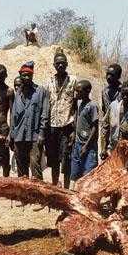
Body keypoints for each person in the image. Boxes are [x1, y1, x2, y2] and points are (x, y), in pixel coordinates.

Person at [9, 61, 49, 179]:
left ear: (32, 75)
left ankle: (38, 196)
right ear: (20, 75)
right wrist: (12, 135)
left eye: (29, 75)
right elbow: (13, 117)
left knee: (35, 166)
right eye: (24, 75)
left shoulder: (41, 92)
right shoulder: (17, 94)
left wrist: (42, 133)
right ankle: (24, 196)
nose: (26, 77)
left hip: (34, 136)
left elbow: (44, 114)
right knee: (21, 170)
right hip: (19, 136)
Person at [45, 49, 77, 188]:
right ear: (53, 65)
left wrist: (74, 129)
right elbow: (46, 105)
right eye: (57, 63)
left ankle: (66, 189)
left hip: (67, 125)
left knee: (67, 158)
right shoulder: (49, 82)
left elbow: (76, 105)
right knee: (54, 160)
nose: (60, 66)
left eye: (63, 63)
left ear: (67, 64)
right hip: (52, 126)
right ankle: (54, 187)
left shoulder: (73, 81)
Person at [102, 81, 128, 175]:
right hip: (112, 150)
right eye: (123, 94)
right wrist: (104, 148)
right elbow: (106, 127)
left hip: (127, 155)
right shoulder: (113, 106)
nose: (125, 97)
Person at [70, 80, 98, 183]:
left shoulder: (92, 106)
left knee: (88, 174)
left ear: (88, 91)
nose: (77, 94)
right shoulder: (80, 105)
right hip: (78, 144)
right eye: (76, 91)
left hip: (89, 146)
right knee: (76, 172)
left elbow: (95, 127)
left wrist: (86, 145)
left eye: (79, 91)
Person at [99, 64, 122, 155]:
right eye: (107, 74)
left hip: (119, 128)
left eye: (112, 75)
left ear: (118, 76)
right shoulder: (104, 91)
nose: (108, 77)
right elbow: (104, 112)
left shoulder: (124, 91)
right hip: (107, 128)